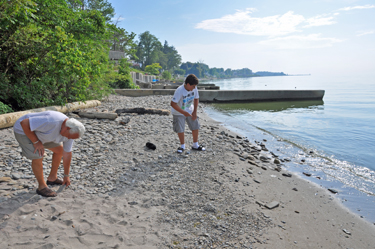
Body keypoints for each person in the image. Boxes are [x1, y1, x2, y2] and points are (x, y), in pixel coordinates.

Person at [13, 111, 85, 197]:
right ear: (67, 128)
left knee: (60, 150)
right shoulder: (51, 121)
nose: (68, 139)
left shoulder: (71, 132)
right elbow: (24, 123)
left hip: (41, 133)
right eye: (69, 136)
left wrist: (66, 175)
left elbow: (67, 154)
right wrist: (36, 142)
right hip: (23, 130)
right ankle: (42, 187)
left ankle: (52, 178)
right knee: (38, 155)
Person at [170, 74, 205, 153]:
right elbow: (172, 103)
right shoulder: (179, 90)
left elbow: (196, 99)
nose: (194, 88)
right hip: (178, 112)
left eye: (195, 86)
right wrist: (183, 112)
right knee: (180, 129)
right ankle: (182, 146)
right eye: (193, 86)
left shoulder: (194, 88)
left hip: (190, 110)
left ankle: (195, 145)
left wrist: (195, 112)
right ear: (188, 84)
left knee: (195, 126)